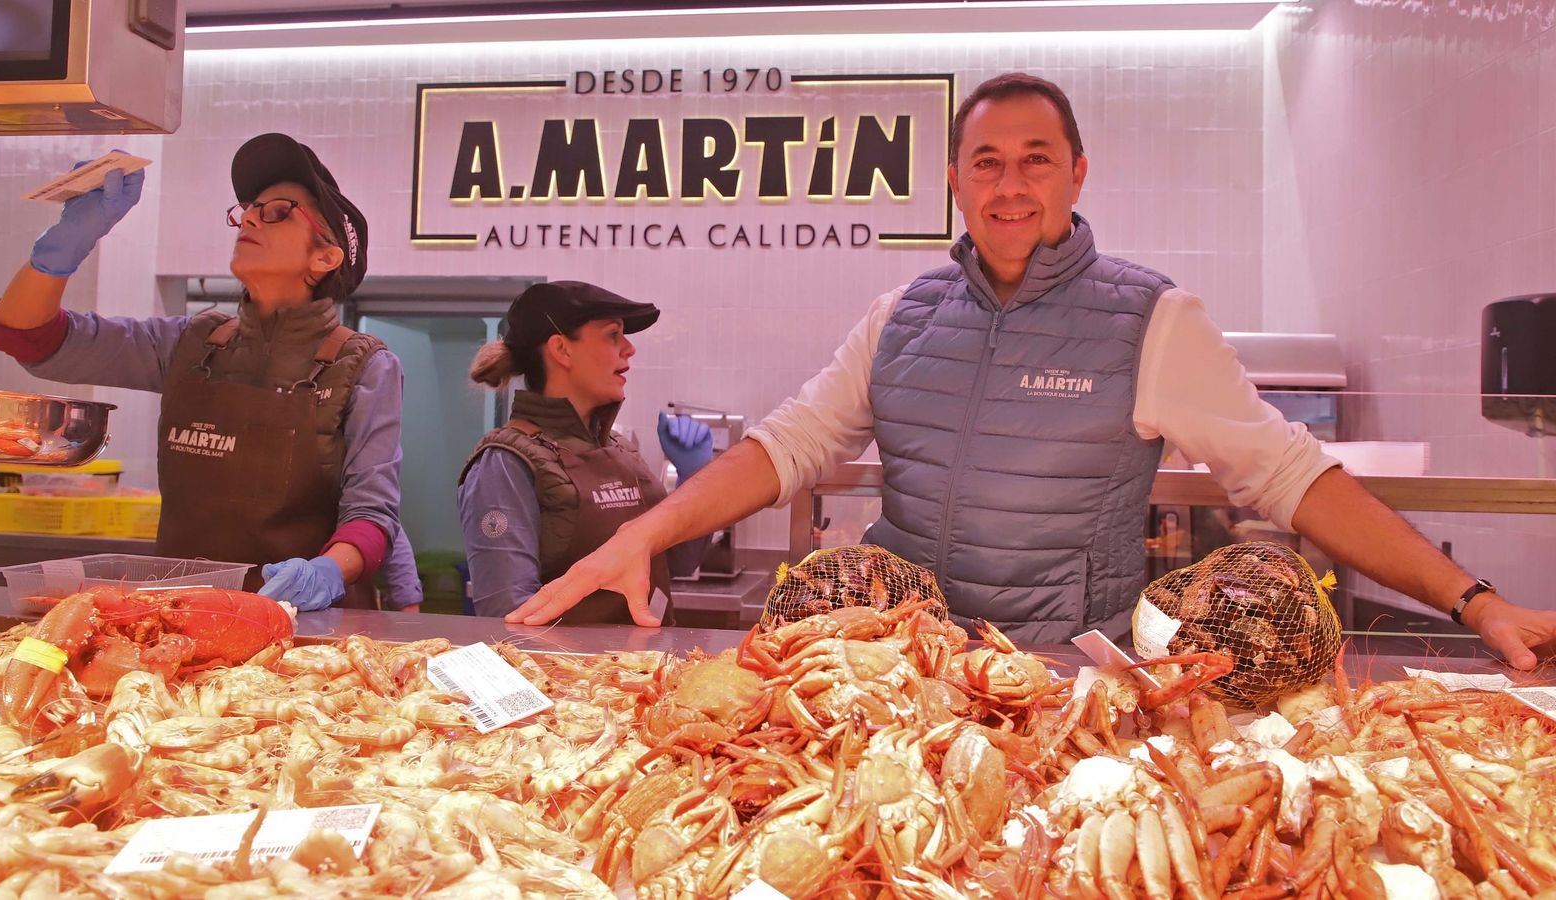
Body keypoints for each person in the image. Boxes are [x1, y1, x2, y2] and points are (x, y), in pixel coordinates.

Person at [508, 72, 1556, 669]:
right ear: (956, 181)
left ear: (1075, 173)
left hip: (1063, 676)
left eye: (1036, 160)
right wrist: (644, 534)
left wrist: (1473, 600)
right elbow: (790, 446)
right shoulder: (901, 314)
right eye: (987, 163)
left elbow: (1291, 478)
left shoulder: (1153, 320)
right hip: (902, 673)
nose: (1011, 186)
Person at [0, 133, 404, 612]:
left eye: (277, 211)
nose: (248, 216)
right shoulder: (190, 343)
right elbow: (28, 337)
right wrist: (61, 249)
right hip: (182, 616)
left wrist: (328, 571)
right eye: (248, 207)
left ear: (325, 257)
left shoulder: (366, 367)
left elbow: (372, 515)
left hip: (302, 625)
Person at [457, 281, 712, 622]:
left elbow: (679, 563)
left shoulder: (621, 451)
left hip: (650, 668)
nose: (629, 348)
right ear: (562, 349)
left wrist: (694, 480)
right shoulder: (504, 463)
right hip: (581, 674)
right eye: (612, 335)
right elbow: (508, 618)